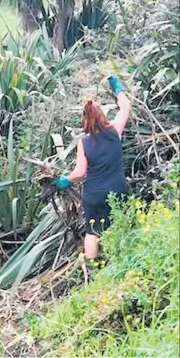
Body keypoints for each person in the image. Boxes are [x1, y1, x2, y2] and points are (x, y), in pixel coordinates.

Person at [51, 75, 130, 260]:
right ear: (102, 115)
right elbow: (125, 107)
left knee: (92, 231)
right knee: (120, 222)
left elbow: (79, 173)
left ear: (85, 121)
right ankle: (121, 259)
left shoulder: (84, 143)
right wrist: (118, 88)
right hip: (118, 189)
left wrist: (63, 182)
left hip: (94, 195)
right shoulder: (115, 131)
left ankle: (92, 267)